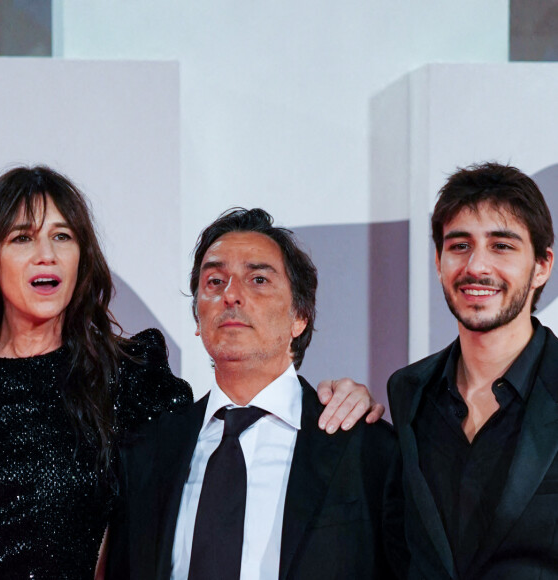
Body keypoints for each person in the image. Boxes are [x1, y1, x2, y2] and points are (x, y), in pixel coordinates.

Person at [0, 167, 378, 579]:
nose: (46, 254)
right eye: (22, 237)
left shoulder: (129, 381)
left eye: (62, 236)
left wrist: (344, 398)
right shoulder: (168, 441)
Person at [105, 208, 405, 579]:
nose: (232, 295)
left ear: (300, 316)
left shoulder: (368, 450)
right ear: (198, 318)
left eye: (259, 280)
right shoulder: (146, 453)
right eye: (214, 281)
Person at [388, 162, 558, 579]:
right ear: (439, 260)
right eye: (460, 245)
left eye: (502, 246)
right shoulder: (407, 391)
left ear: (542, 266)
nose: (476, 267)